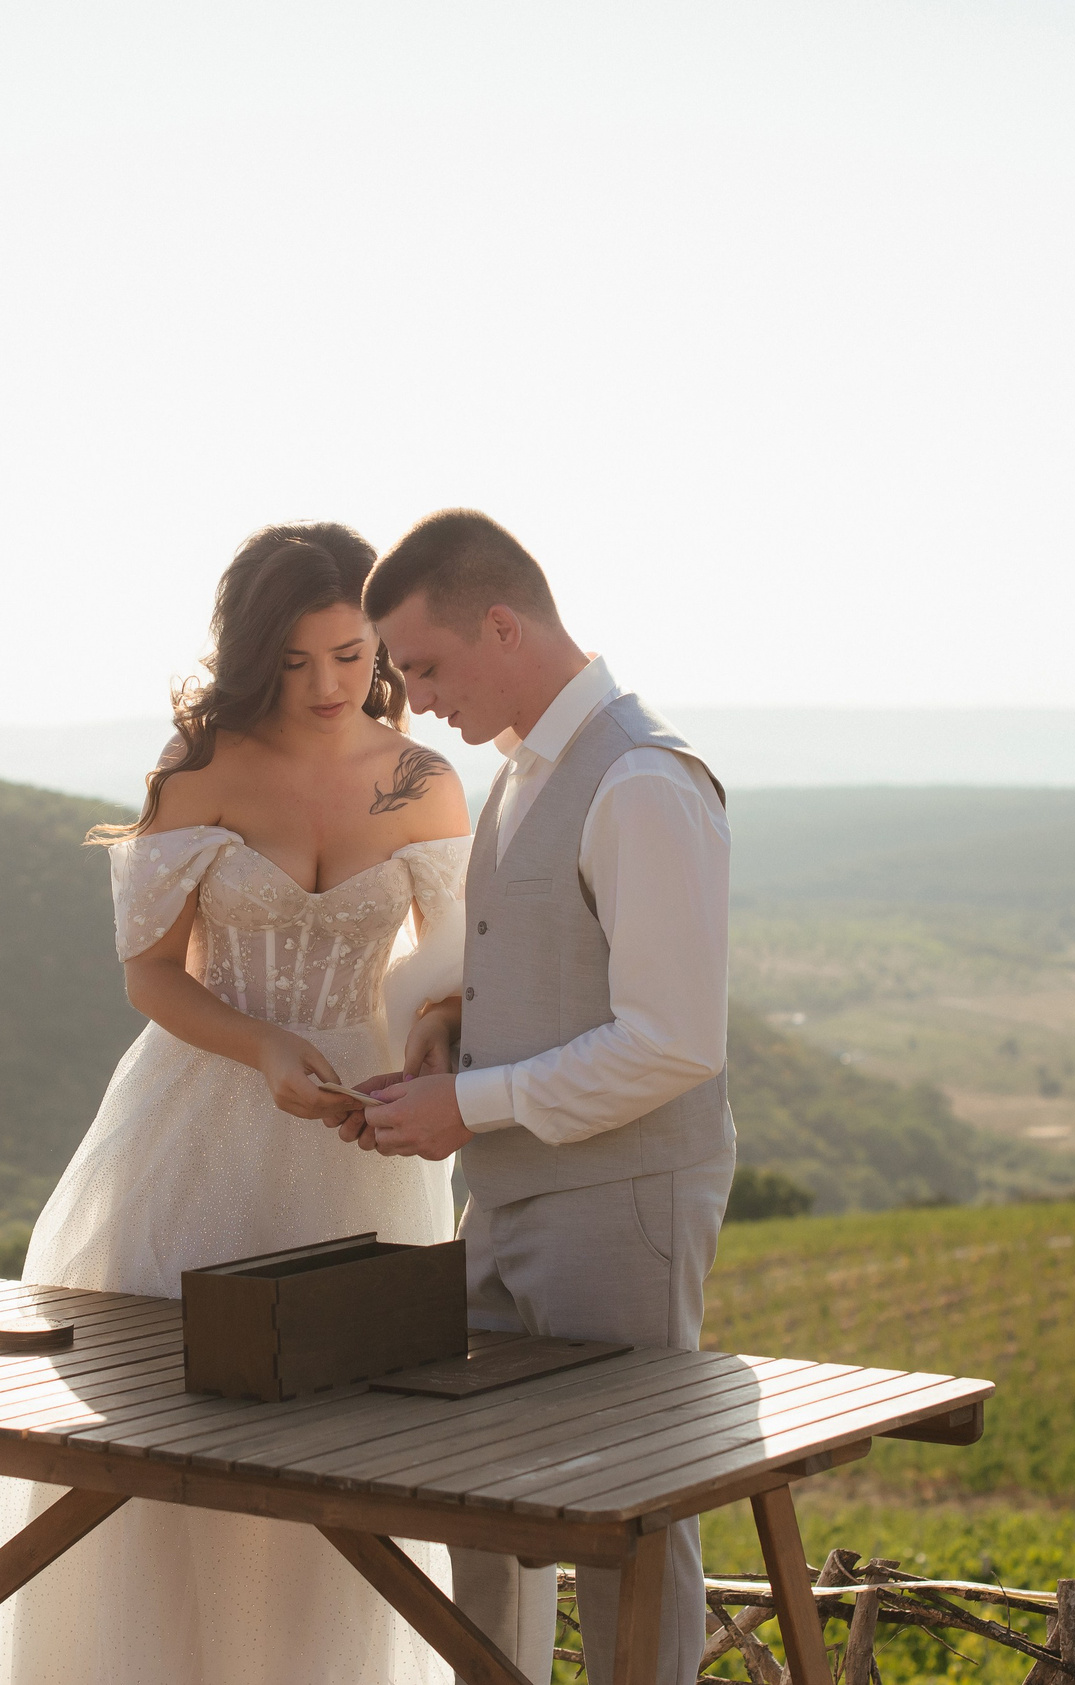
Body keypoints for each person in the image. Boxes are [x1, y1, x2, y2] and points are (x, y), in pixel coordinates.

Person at [0, 522, 473, 1685]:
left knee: (351, 1448)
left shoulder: (424, 780)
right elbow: (151, 973)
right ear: (250, 651)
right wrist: (265, 1043)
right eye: (291, 661)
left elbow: (449, 974)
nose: (325, 685)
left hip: (364, 1143)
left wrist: (424, 1052)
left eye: (346, 654)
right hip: (201, 1123)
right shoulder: (199, 763)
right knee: (162, 1438)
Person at [355, 508, 735, 1685]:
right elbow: (552, 965)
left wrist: (473, 1107)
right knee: (480, 1496)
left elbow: (672, 1043)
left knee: (631, 1511)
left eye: (423, 666)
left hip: (618, 1202)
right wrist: (448, 1033)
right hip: (509, 1194)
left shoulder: (640, 780)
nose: (413, 701)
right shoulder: (522, 771)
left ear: (504, 623)